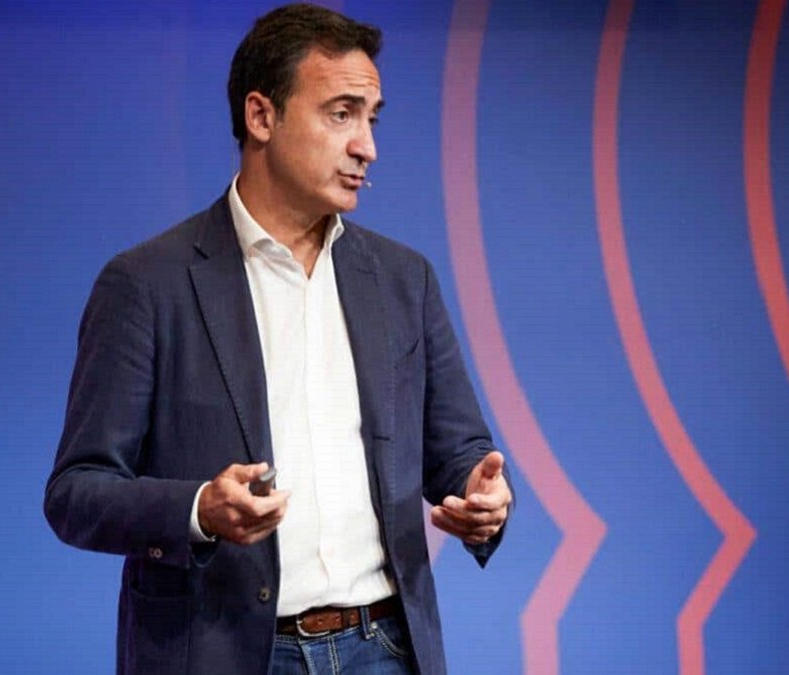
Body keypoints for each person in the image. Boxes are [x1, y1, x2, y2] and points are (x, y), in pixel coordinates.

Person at [44, 5, 512, 674]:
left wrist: (482, 497)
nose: (367, 147)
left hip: (384, 647)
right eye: (341, 114)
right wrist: (199, 509)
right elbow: (77, 492)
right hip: (226, 651)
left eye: (371, 119)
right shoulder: (148, 284)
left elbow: (458, 451)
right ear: (261, 116)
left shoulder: (404, 279)